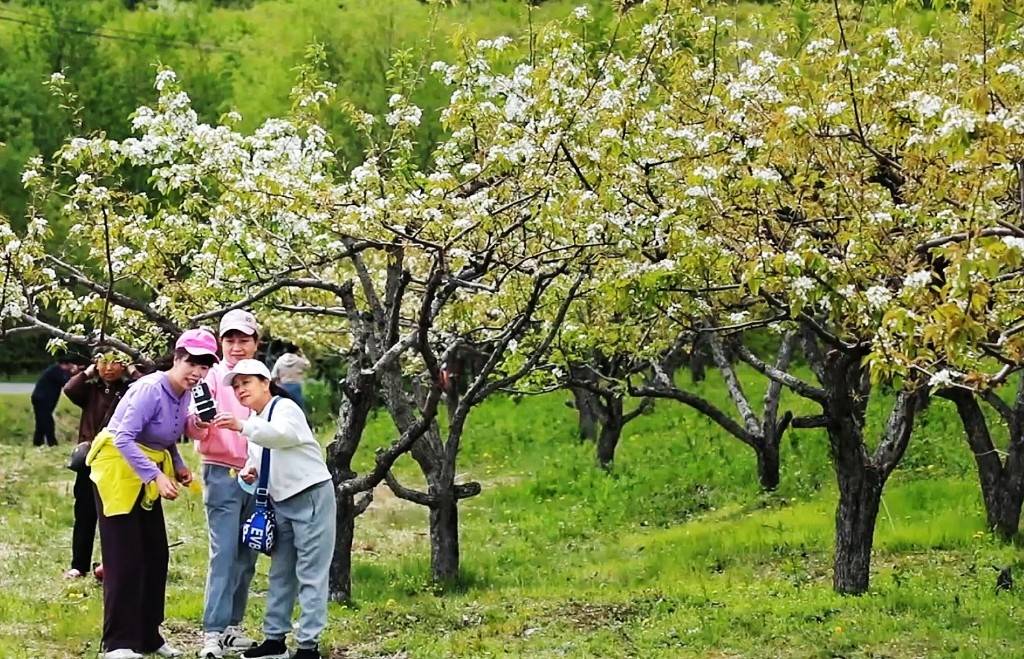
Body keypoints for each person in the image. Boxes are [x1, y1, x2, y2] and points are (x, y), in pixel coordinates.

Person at [88, 329, 219, 659]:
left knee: (155, 555)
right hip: (117, 471)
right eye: (192, 363)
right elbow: (123, 437)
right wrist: (157, 476)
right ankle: (118, 643)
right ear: (177, 357)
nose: (197, 373)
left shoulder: (184, 392)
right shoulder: (149, 388)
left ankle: (148, 637)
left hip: (147, 470)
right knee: (124, 559)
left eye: (204, 367)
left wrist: (176, 464)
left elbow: (165, 434)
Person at [213, 359, 335, 659]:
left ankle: (308, 645)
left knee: (310, 573)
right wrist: (247, 473)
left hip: (310, 495)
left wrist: (241, 426)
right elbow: (259, 458)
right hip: (280, 503)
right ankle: (274, 640)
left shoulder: (285, 408)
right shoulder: (257, 417)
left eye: (247, 383)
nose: (241, 390)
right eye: (237, 386)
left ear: (266, 382)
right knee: (280, 574)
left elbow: (281, 436)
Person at [186, 309, 262, 658]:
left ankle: (233, 626)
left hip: (258, 474)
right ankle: (213, 632)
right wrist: (203, 422)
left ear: (255, 344)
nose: (236, 347)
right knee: (225, 553)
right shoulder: (212, 377)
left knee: (247, 553)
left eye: (243, 340)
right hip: (221, 472)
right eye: (230, 340)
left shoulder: (263, 378)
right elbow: (194, 426)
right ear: (220, 344)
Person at [61, 351, 137, 580]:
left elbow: (147, 387)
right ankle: (79, 564)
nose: (109, 367)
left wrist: (133, 371)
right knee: (84, 514)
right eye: (104, 361)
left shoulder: (129, 390)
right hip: (90, 460)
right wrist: (89, 371)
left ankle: (110, 563)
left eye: (116, 362)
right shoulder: (90, 389)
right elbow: (70, 390)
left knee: (114, 515)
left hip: (117, 461)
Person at [31, 358, 78, 446]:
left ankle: (38, 443)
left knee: (41, 422)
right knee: (48, 422)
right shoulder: (55, 371)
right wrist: (73, 372)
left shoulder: (56, 370)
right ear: (65, 364)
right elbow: (66, 382)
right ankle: (51, 443)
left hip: (43, 399)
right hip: (42, 399)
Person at [270, 343, 310, 412]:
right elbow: (308, 365)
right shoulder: (299, 360)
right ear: (297, 350)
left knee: (284, 408)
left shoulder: (280, 360)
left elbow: (273, 375)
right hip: (296, 386)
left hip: (283, 387)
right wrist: (303, 355)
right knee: (299, 409)